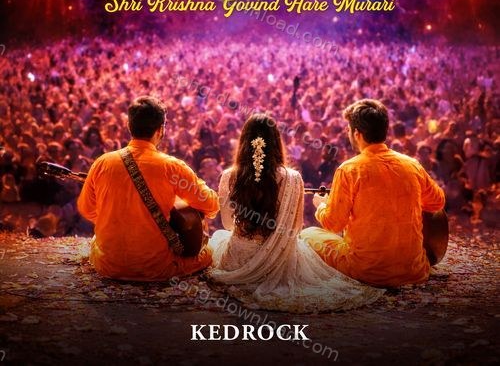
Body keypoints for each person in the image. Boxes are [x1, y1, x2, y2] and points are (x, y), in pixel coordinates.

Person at [208, 113, 382, 313]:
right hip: (279, 262)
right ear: (276, 142)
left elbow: (228, 225)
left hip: (237, 259)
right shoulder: (293, 178)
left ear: (244, 142)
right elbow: (296, 228)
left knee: (218, 237)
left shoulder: (229, 176)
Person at [301, 99, 445, 287]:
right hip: (414, 271)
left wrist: (321, 205)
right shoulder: (412, 165)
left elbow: (333, 223)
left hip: (366, 271)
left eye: (349, 129)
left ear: (357, 134)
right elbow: (437, 202)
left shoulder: (349, 169)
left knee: (308, 235)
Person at [77, 96, 219, 281]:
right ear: (161, 130)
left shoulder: (102, 162)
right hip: (155, 268)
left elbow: (87, 209)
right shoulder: (171, 167)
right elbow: (211, 205)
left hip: (108, 265)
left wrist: (117, 219)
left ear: (129, 126)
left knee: (96, 242)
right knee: (210, 252)